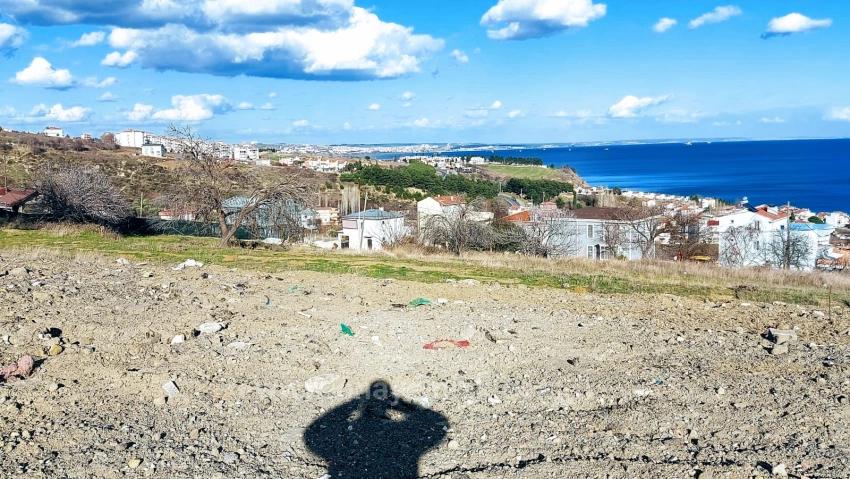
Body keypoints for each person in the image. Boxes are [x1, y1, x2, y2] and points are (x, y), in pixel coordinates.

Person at [304, 380, 448, 479]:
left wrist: (355, 402)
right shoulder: (402, 434)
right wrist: (400, 404)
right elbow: (437, 424)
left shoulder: (347, 437)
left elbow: (312, 434)